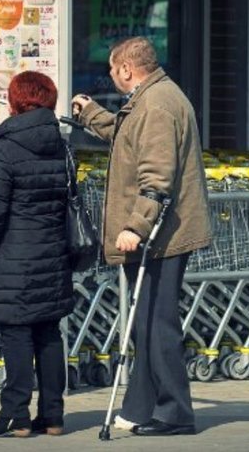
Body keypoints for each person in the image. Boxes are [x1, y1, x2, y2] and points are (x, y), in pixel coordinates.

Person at [71, 36, 212, 437]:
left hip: (161, 236)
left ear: (126, 70)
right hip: (159, 234)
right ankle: (140, 406)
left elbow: (157, 174)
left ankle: (175, 413)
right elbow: (126, 134)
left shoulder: (156, 105)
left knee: (156, 323)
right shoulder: (152, 99)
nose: (112, 77)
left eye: (113, 70)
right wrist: (91, 114)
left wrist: (136, 226)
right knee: (145, 323)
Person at [0, 71, 74, 438]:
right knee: (48, 333)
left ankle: (16, 416)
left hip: (11, 259)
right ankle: (54, 416)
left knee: (15, 334)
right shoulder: (61, 147)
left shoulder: (3, 148)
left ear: (15, 101)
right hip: (53, 256)